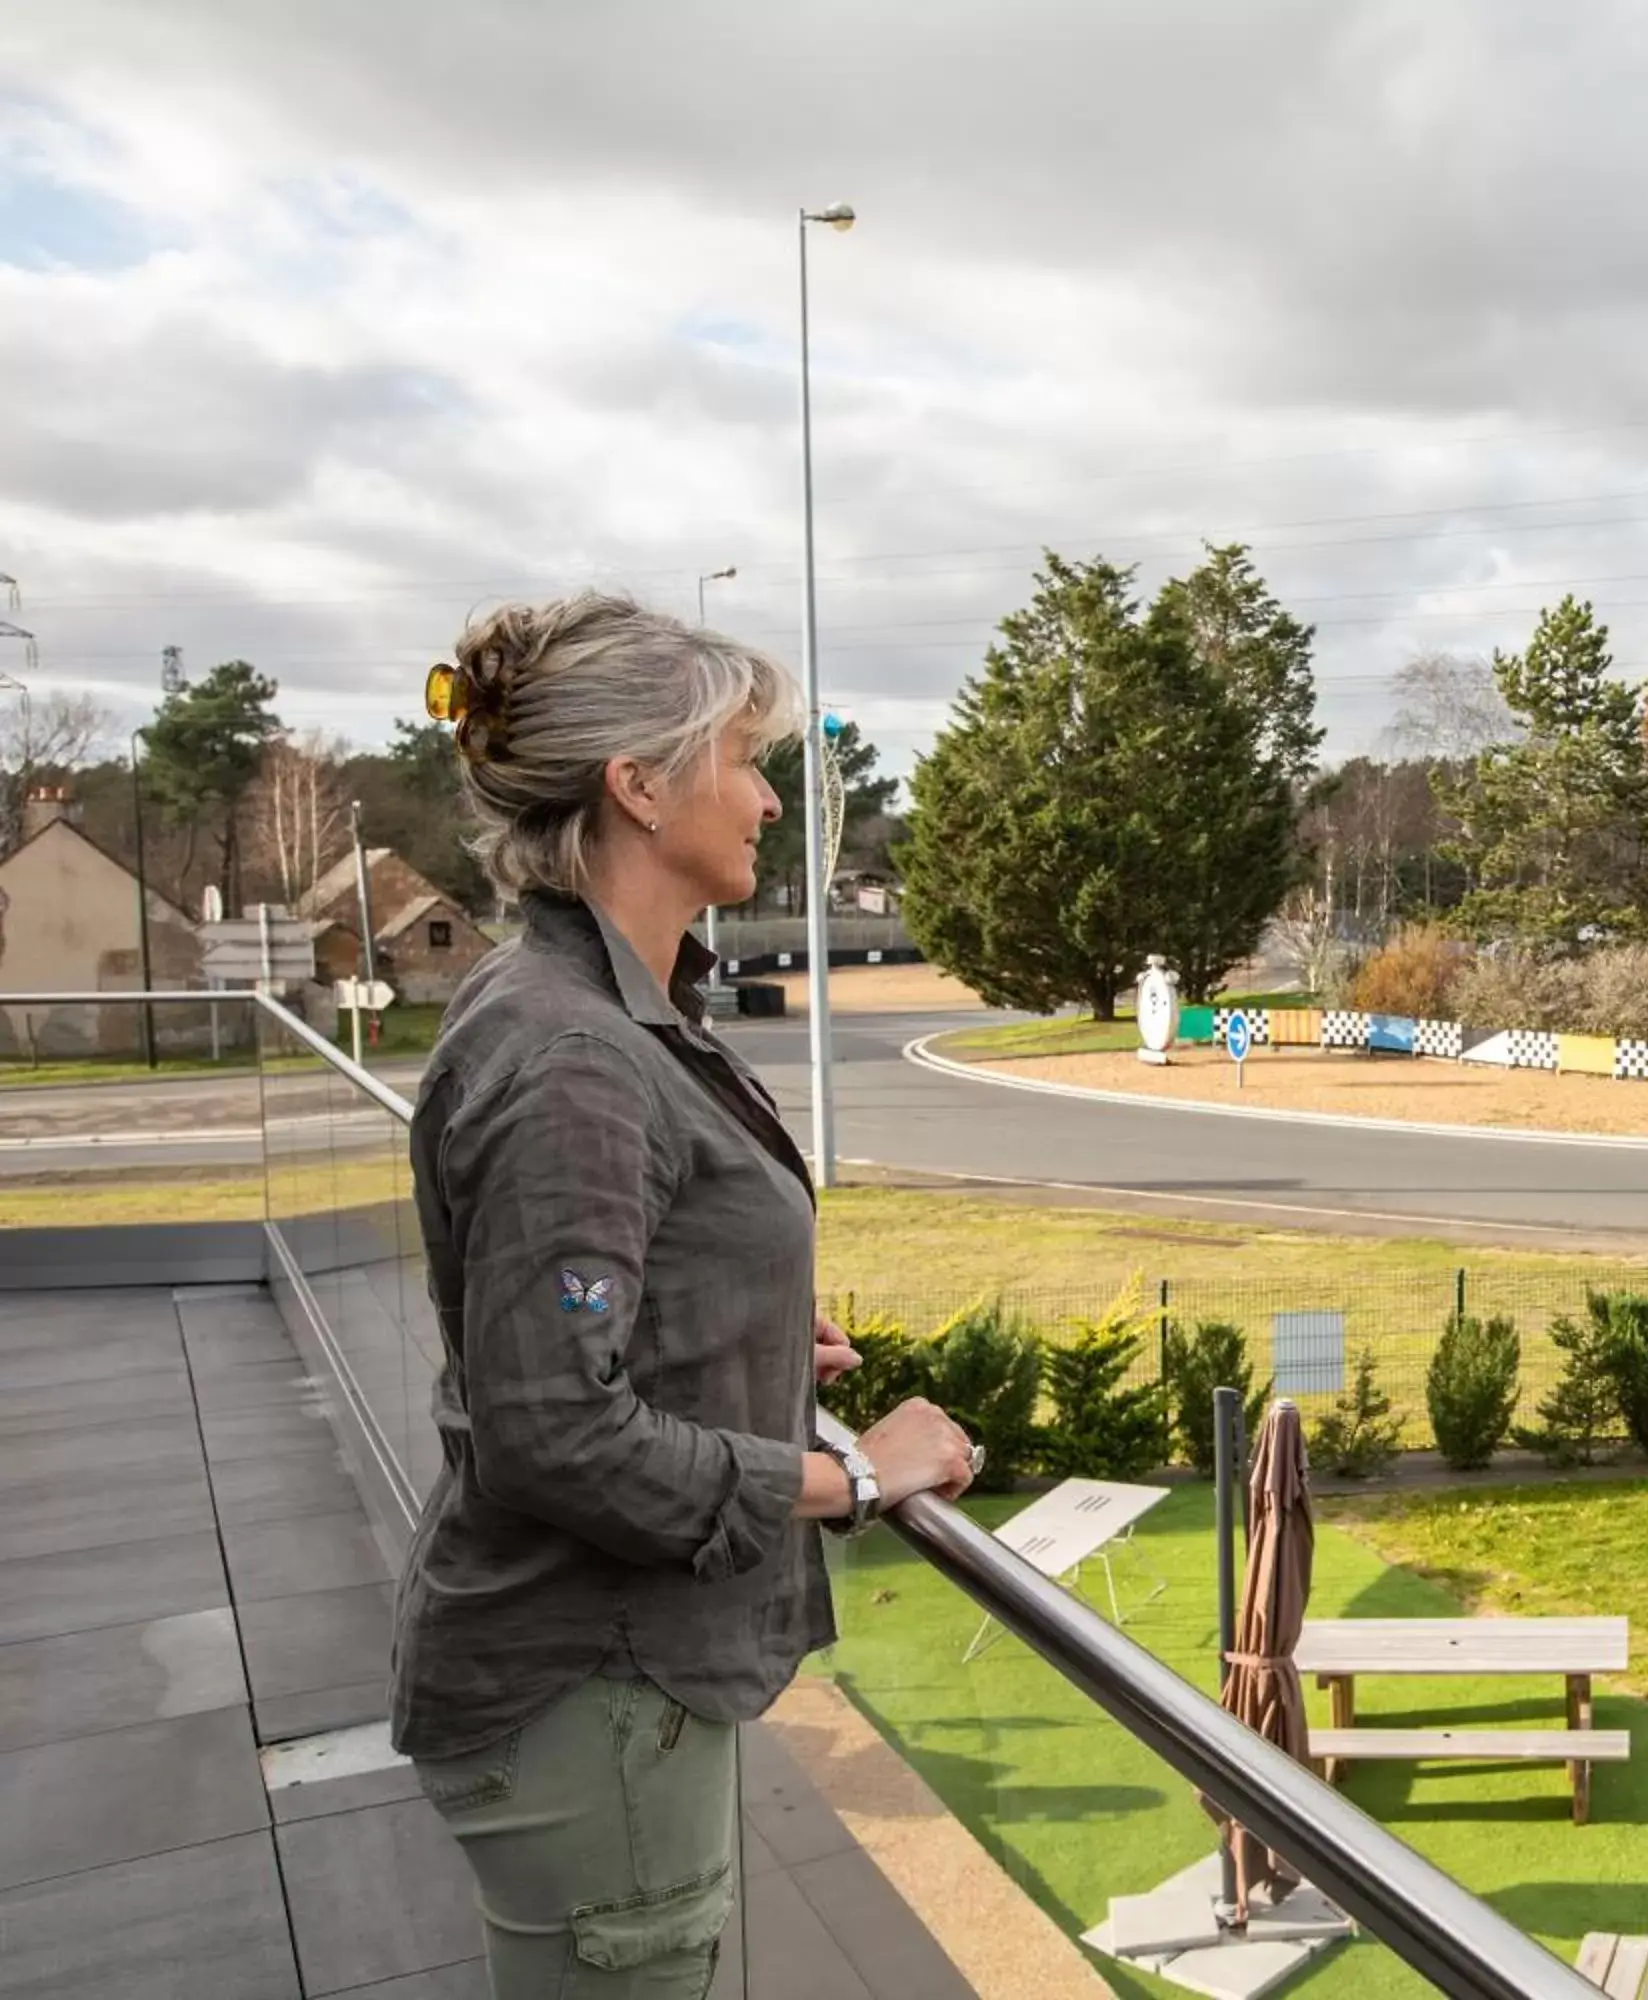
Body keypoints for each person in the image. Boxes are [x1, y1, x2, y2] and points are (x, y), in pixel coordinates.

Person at [391, 591, 976, 1997]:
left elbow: (587, 1297)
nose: (768, 798)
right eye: (739, 757)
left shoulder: (596, 1006)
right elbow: (555, 1430)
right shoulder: (573, 1053)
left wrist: (745, 1330)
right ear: (640, 786)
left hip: (600, 1705)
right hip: (588, 1702)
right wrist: (856, 1482)